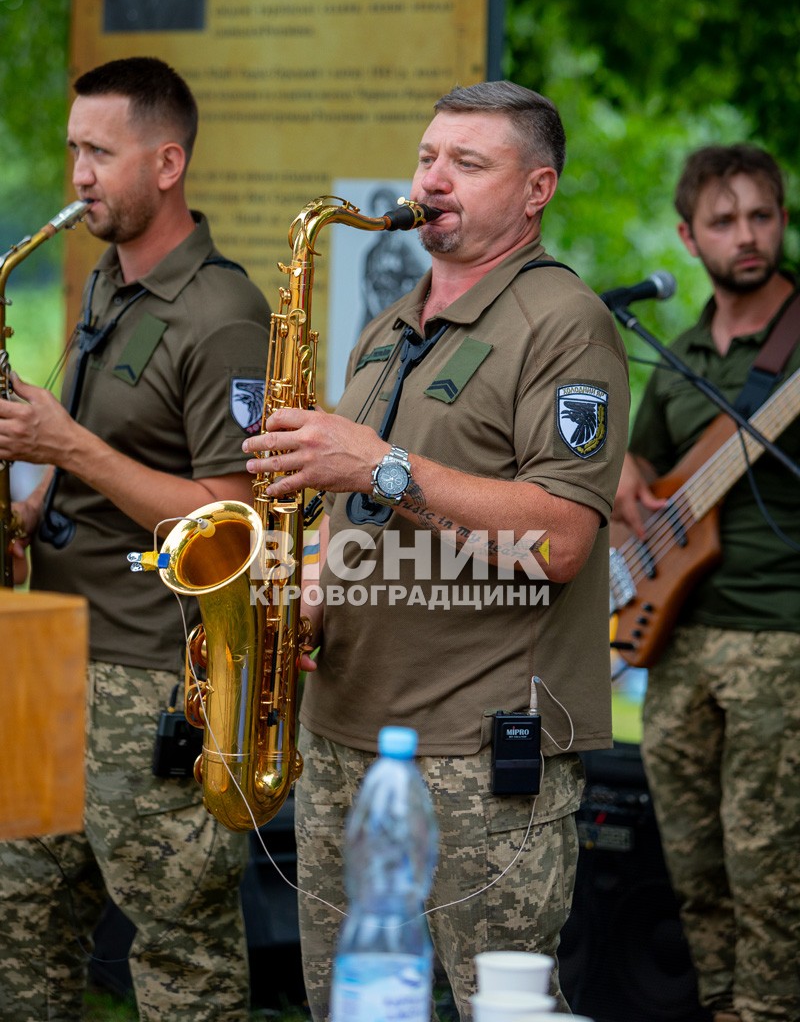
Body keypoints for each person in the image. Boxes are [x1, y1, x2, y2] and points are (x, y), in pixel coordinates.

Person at [243, 80, 631, 1018]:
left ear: (536, 190)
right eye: (427, 157)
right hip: (347, 742)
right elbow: (365, 518)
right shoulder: (387, 326)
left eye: (468, 162)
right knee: (350, 1003)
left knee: (489, 1009)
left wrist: (379, 466)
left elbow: (562, 539)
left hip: (478, 755)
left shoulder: (564, 323)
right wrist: (316, 581)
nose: (434, 179)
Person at [0, 56, 271, 1021]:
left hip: (152, 672)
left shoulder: (226, 313)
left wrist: (65, 443)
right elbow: (111, 466)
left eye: (99, 153)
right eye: (73, 150)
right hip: (50, 654)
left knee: (179, 956)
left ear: (167, 163)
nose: (78, 175)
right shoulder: (104, 285)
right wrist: (35, 501)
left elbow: (226, 519)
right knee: (19, 928)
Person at [612, 144, 800, 1022]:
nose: (747, 235)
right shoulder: (679, 350)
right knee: (691, 857)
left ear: (784, 221)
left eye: (762, 215)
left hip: (779, 632)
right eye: (724, 222)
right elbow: (646, 469)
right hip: (678, 634)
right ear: (689, 237)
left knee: (771, 861)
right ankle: (723, 1005)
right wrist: (624, 472)